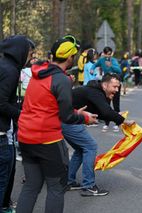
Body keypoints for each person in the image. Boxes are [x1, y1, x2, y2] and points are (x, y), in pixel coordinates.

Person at [16, 36, 98, 213]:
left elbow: (46, 106)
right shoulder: (62, 80)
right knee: (56, 187)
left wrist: (78, 112)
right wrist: (84, 118)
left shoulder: (38, 73)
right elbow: (66, 116)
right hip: (47, 141)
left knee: (31, 186)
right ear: (70, 58)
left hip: (25, 137)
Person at [62, 73, 135, 196]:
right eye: (114, 87)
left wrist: (116, 116)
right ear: (105, 85)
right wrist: (123, 121)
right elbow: (106, 111)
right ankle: (88, 186)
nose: (117, 90)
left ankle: (69, 181)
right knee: (90, 147)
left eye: (118, 87)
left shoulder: (98, 92)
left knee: (81, 149)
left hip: (69, 119)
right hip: (68, 120)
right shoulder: (95, 92)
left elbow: (103, 113)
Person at [0, 35, 35, 213]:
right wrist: (22, 114)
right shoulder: (10, 70)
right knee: (4, 174)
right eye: (29, 53)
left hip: (6, 129)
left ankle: (6, 204)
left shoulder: (5, 65)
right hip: (2, 132)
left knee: (10, 169)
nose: (30, 57)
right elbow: (2, 103)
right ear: (20, 51)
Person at [91, 47, 122, 132]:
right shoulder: (101, 60)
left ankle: (117, 123)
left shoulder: (114, 60)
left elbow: (119, 70)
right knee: (106, 103)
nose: (108, 56)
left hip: (115, 82)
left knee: (116, 103)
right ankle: (106, 123)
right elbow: (95, 64)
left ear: (111, 54)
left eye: (109, 54)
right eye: (106, 54)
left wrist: (111, 66)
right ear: (104, 54)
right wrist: (92, 69)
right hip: (106, 83)